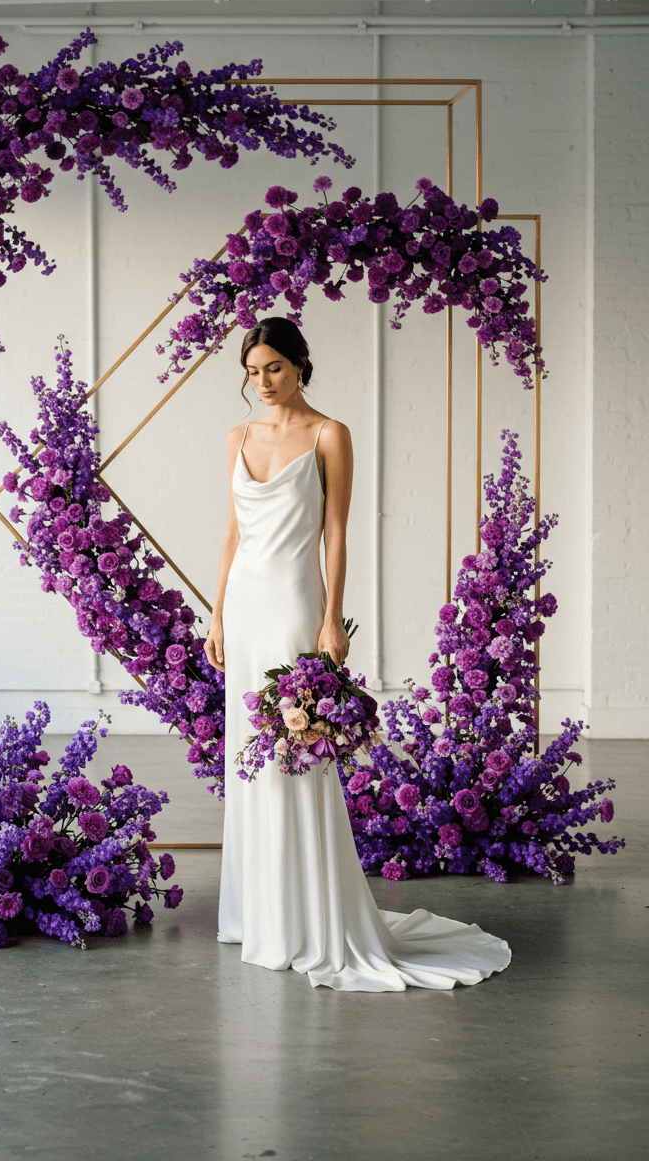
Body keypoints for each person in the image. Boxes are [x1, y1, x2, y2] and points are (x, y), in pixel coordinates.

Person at [204, 317, 511, 991]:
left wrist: (329, 620)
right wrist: (218, 613)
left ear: (301, 367)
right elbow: (232, 534)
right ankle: (258, 912)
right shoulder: (238, 436)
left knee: (294, 749)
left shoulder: (328, 433)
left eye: (274, 369)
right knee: (247, 755)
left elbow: (336, 532)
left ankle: (305, 917)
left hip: (292, 602)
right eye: (253, 371)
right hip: (246, 607)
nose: (262, 382)